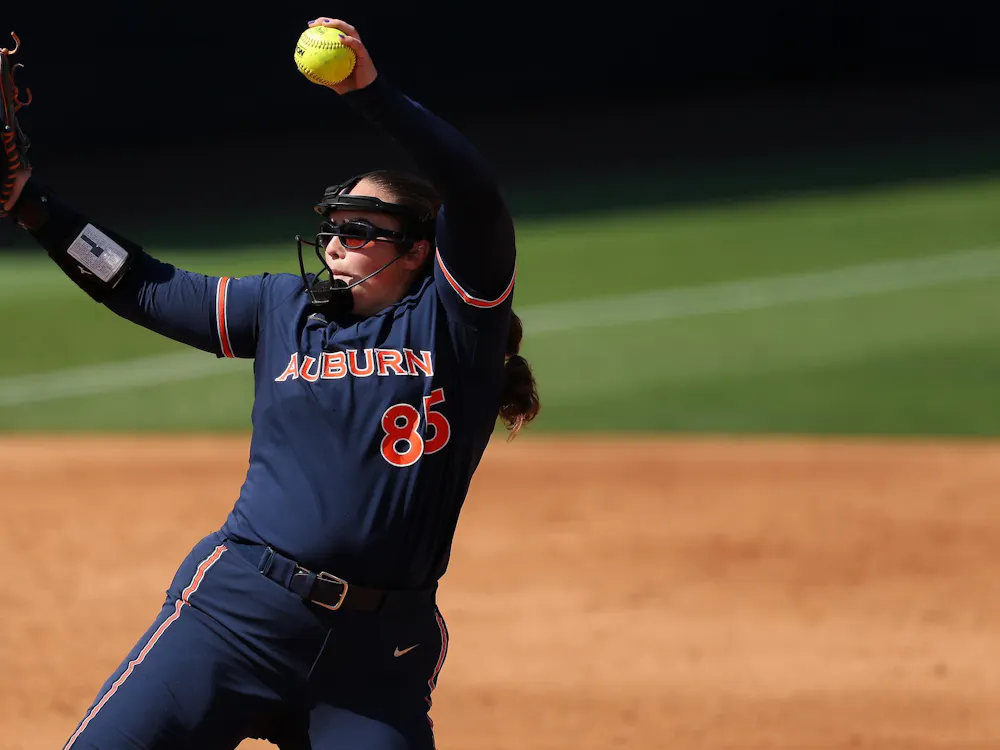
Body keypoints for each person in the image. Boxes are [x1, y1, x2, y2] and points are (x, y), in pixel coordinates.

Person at [3, 17, 539, 750]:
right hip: (236, 615)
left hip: (375, 661)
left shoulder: (456, 325)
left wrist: (370, 92)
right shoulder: (284, 309)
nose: (336, 242)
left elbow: (473, 192)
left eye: (361, 228)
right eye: (333, 226)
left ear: (419, 250)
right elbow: (139, 282)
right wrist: (31, 204)